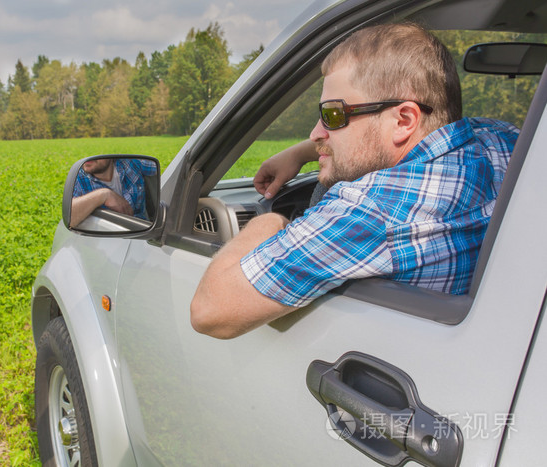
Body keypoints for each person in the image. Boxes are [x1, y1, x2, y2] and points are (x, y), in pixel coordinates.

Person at [190, 22, 520, 339]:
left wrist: (273, 222)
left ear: (404, 120)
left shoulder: (372, 209)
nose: (315, 132)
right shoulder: (496, 138)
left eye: (333, 115)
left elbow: (209, 312)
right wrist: (305, 152)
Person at [70, 157, 157, 226]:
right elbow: (70, 218)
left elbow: (158, 167)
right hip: (108, 240)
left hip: (144, 231)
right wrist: (103, 195)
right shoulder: (79, 178)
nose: (87, 157)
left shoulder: (130, 163)